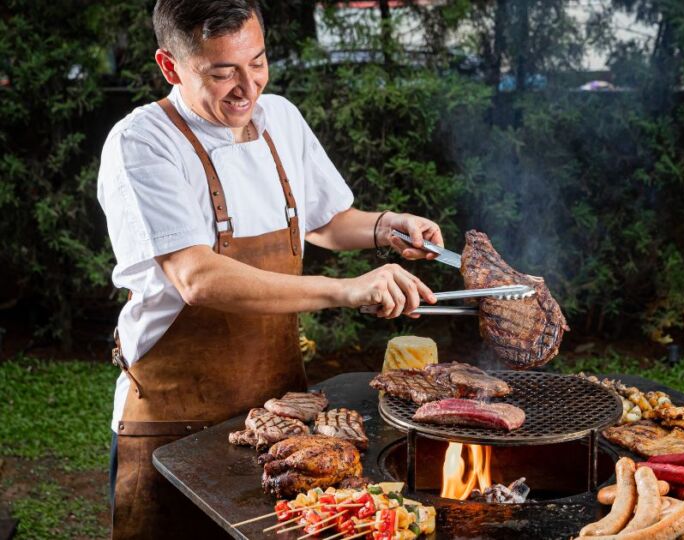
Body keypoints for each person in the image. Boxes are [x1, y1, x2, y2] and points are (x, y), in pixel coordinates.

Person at [96, 1, 442, 538]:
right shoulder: (142, 142)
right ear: (170, 67)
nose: (247, 87)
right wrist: (347, 290)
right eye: (221, 72)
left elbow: (328, 221)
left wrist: (385, 227)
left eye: (257, 62)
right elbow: (198, 278)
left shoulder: (280, 117)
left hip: (283, 415)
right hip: (172, 417)